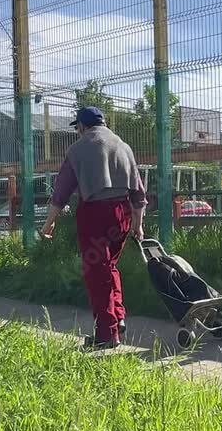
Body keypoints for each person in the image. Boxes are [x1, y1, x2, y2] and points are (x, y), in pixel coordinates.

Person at [40, 106, 147, 350]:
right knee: (109, 267)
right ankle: (117, 318)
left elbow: (62, 190)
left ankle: (106, 334)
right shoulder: (123, 146)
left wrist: (49, 222)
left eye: (77, 126)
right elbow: (139, 193)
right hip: (122, 213)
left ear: (82, 126)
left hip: (94, 213)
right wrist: (138, 226)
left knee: (96, 273)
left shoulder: (78, 149)